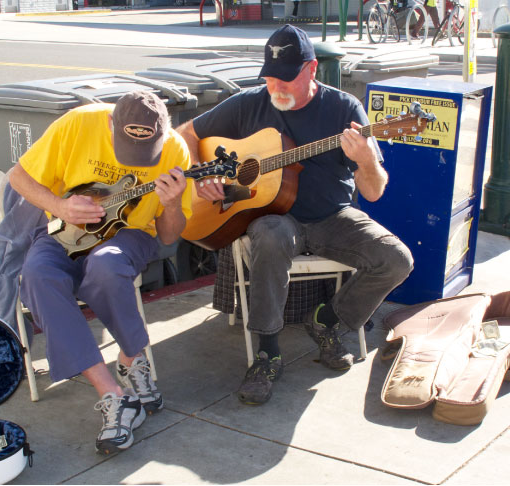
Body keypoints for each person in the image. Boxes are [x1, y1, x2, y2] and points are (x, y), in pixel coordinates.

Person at [177, 25, 413, 405]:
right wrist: (202, 174)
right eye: (270, 77)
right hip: (273, 217)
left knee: (396, 259)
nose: (276, 87)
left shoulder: (343, 110)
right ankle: (267, 351)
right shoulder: (248, 103)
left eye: (286, 78)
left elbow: (373, 191)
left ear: (312, 69)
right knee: (269, 234)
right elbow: (184, 133)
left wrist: (366, 159)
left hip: (331, 217)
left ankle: (329, 320)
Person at [9, 91, 192, 454]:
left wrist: (171, 205)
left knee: (106, 264)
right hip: (67, 229)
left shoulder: (175, 150)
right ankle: (112, 392)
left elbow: (170, 236)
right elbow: (19, 177)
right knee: (37, 275)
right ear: (109, 123)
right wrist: (60, 205)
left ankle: (130, 356)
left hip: (131, 235)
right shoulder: (78, 123)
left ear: (164, 134)